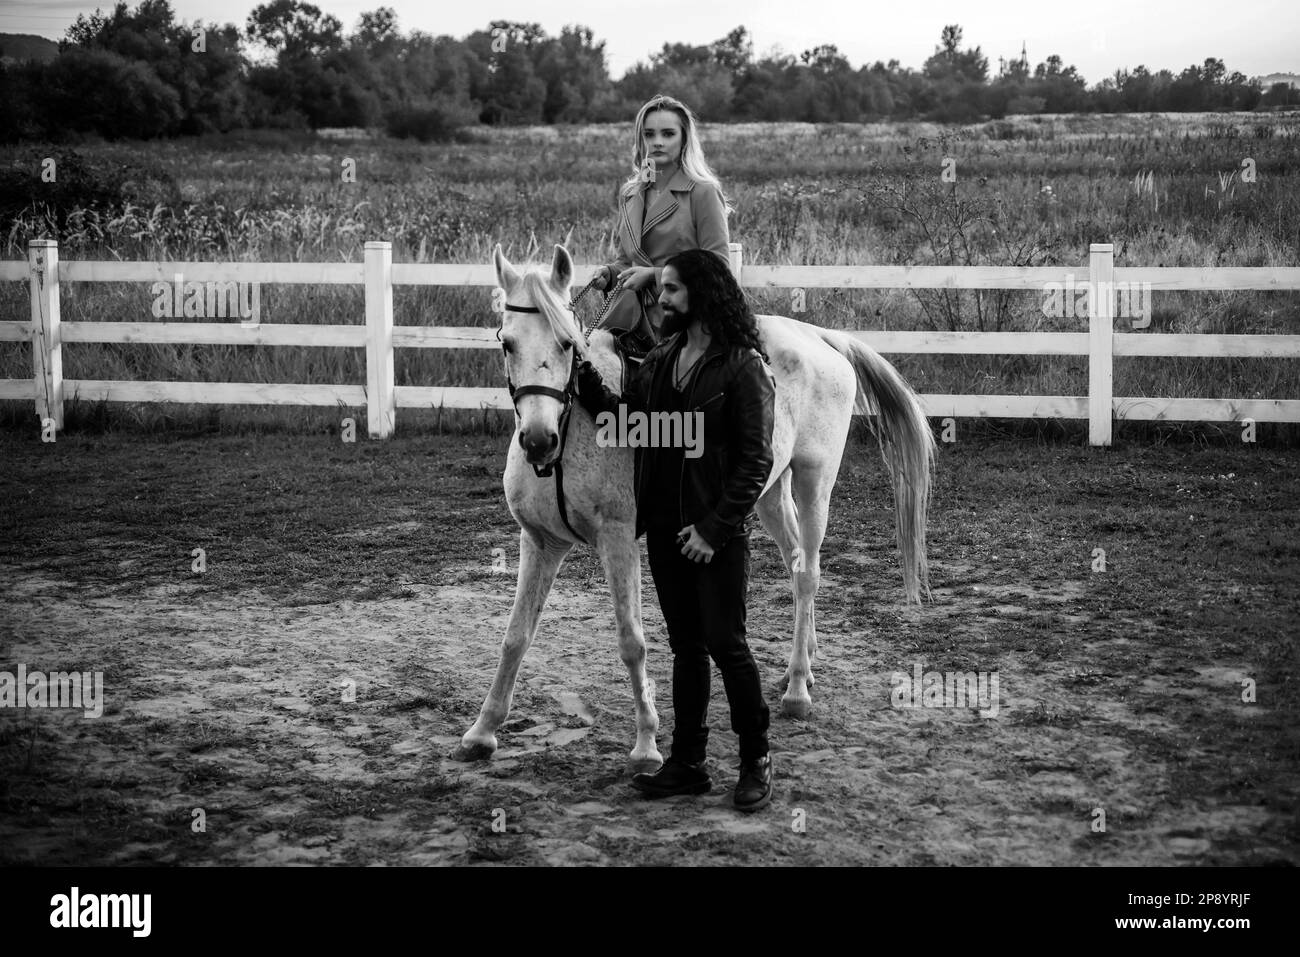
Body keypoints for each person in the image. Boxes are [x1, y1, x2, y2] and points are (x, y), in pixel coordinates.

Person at [576, 248, 777, 812]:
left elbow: (754, 464)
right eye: (661, 289)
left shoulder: (743, 368)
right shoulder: (662, 358)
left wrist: (713, 530)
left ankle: (756, 759)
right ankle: (688, 763)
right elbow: (626, 422)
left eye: (671, 290)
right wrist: (575, 370)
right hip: (665, 530)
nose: (660, 299)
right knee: (687, 648)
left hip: (715, 536)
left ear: (703, 295)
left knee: (725, 644)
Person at [592, 94, 732, 357]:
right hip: (630, 318)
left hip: (684, 319)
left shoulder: (702, 192)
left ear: (684, 139)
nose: (657, 142)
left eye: (668, 134)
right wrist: (610, 274)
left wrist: (655, 276)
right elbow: (628, 261)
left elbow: (718, 267)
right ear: (640, 139)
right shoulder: (630, 194)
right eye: (649, 134)